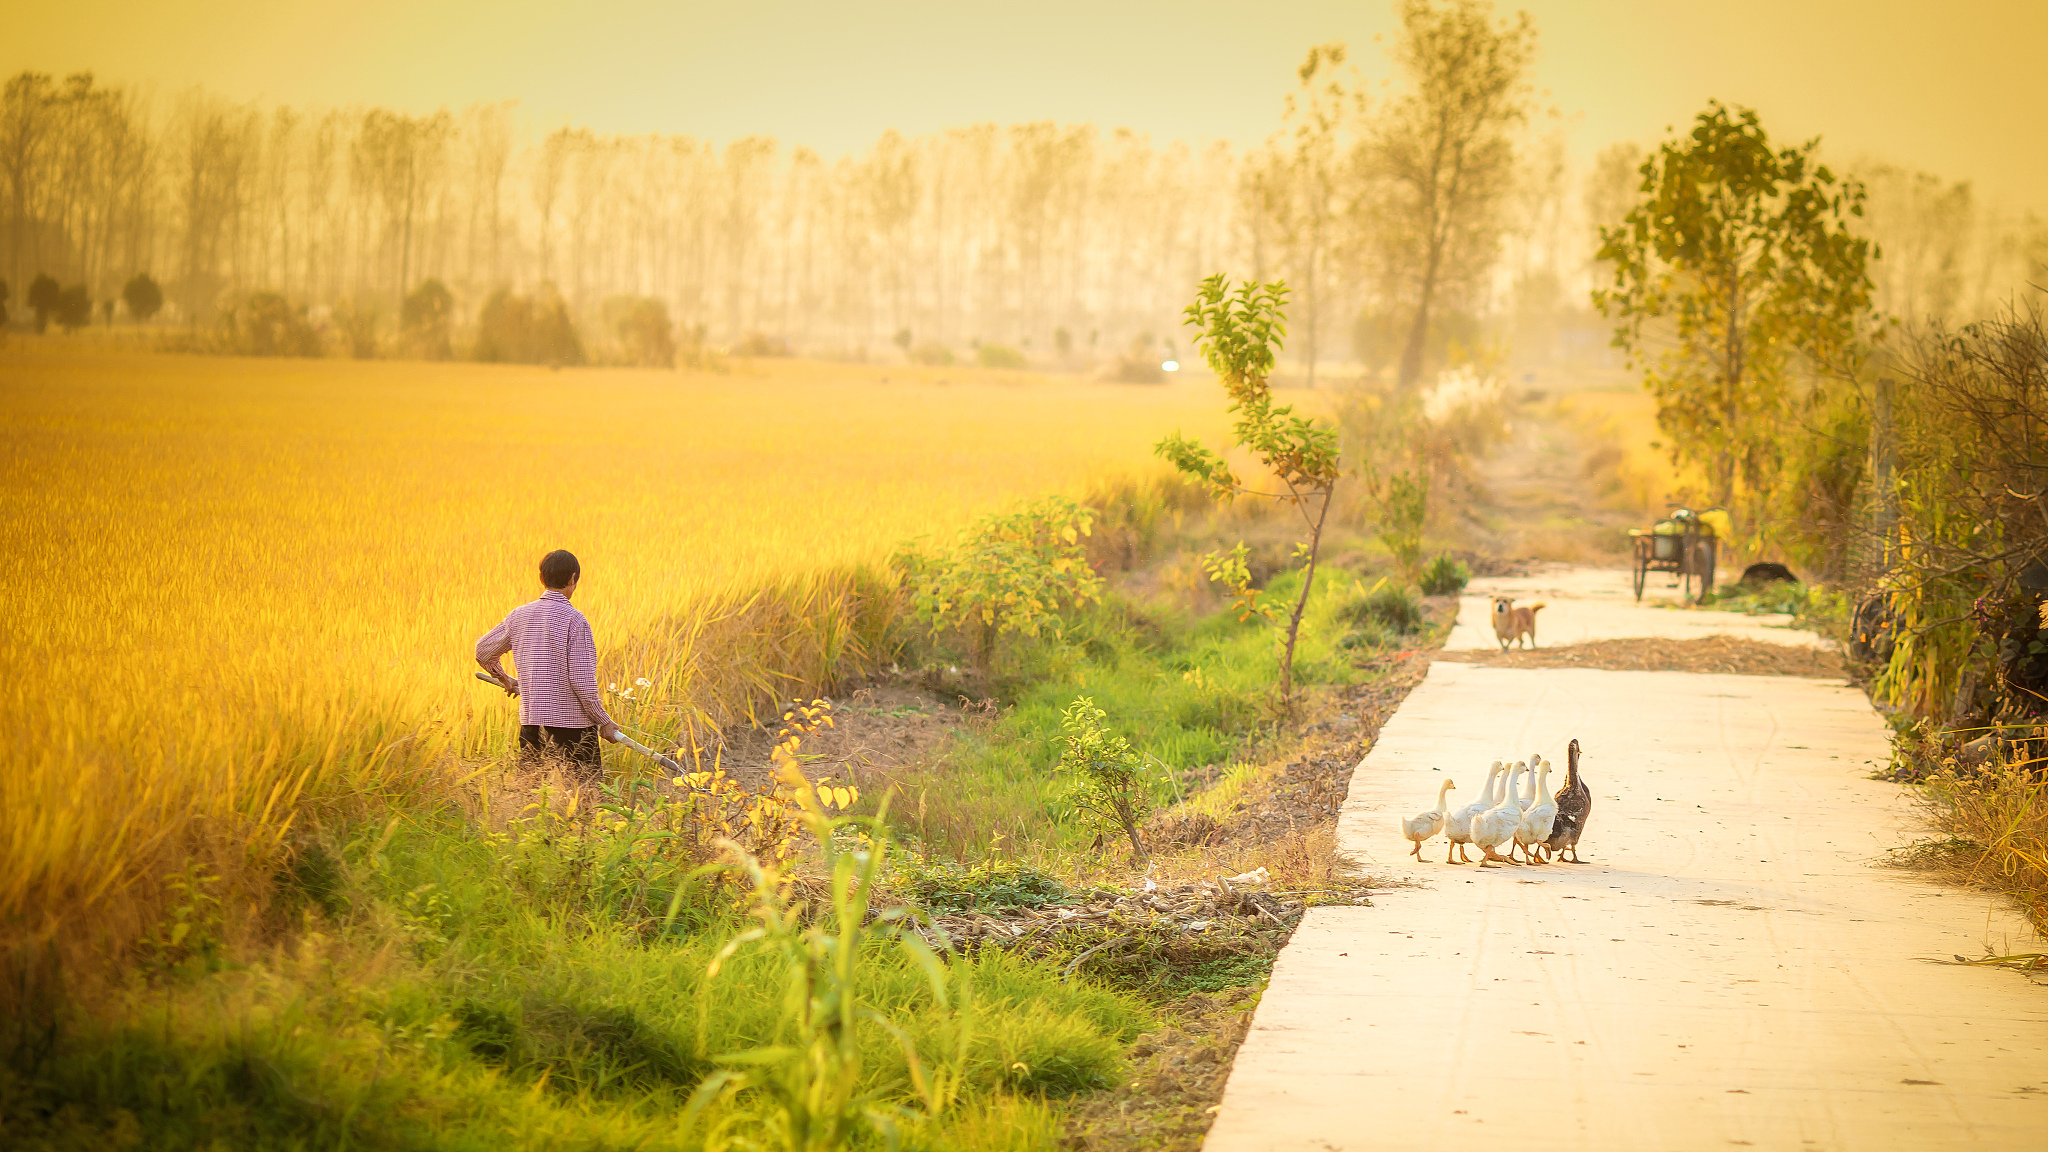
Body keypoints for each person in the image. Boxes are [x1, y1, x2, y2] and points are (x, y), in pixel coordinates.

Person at [475, 549, 620, 781]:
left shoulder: (518, 616)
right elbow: (582, 682)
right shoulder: (575, 620)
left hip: (532, 726)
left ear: (541, 578)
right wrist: (604, 721)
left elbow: (483, 651)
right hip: (573, 730)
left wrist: (505, 679)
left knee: (531, 799)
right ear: (573, 579)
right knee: (584, 799)